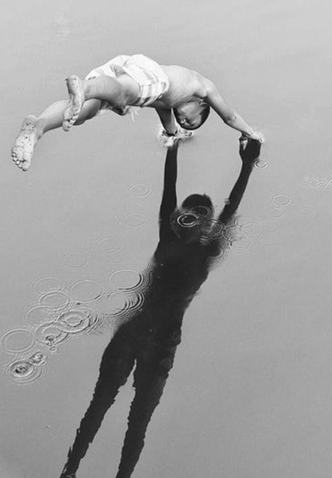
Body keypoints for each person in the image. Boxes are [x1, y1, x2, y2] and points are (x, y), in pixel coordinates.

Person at [58, 137, 262, 478]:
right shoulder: (173, 239)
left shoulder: (202, 250)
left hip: (158, 337)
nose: (194, 218)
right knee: (104, 405)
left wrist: (245, 165)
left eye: (201, 216)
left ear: (206, 224)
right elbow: (171, 188)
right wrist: (172, 145)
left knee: (137, 419)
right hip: (142, 332)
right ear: (179, 219)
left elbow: (228, 207)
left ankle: (99, 473)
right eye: (190, 213)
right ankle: (70, 470)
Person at [11, 54, 263, 171]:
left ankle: (38, 127)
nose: (185, 121)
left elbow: (169, 127)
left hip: (122, 73)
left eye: (185, 124)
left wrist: (173, 135)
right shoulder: (203, 88)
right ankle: (85, 88)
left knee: (84, 114)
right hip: (146, 75)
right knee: (121, 95)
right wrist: (251, 133)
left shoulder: (166, 105)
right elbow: (229, 116)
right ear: (202, 105)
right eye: (192, 120)